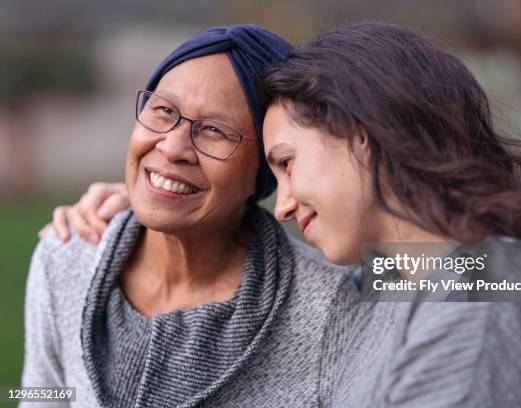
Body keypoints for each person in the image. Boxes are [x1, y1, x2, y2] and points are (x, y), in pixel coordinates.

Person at [41, 23, 521, 407]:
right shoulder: (412, 278)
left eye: (285, 163)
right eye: (163, 113)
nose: (280, 204)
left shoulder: (457, 311)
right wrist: (152, 203)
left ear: (364, 138)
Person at [22, 24, 361, 408]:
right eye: (164, 111)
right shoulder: (65, 257)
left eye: (214, 131)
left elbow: (440, 279)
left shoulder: (332, 305)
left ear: (263, 169)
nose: (172, 147)